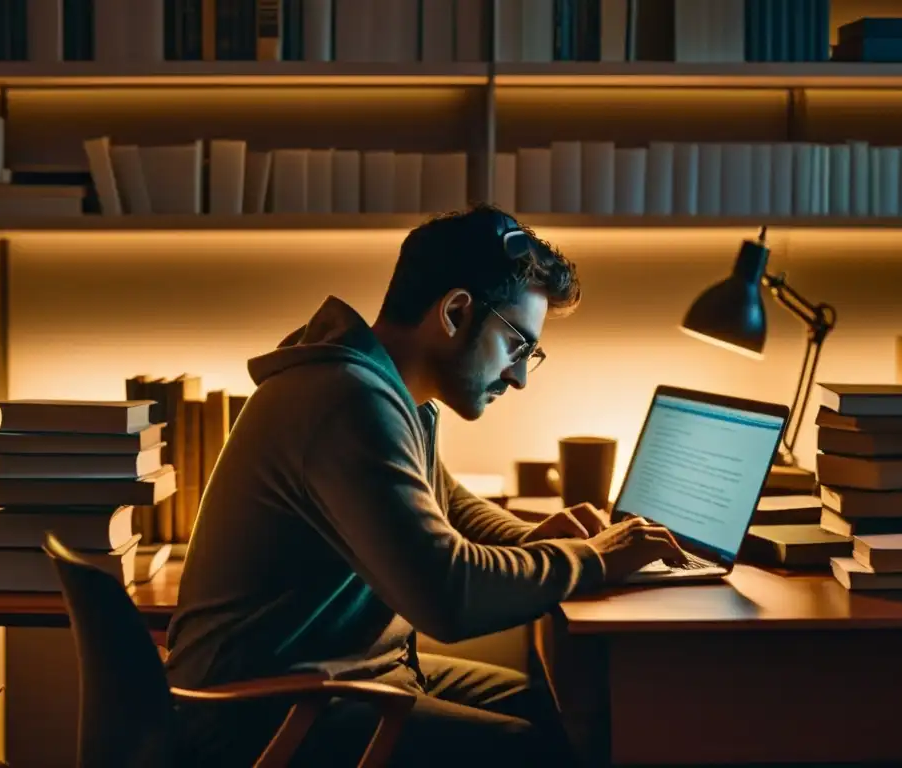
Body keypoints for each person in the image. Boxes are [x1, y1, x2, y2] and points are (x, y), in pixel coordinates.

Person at [165, 204, 687, 766]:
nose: (519, 376)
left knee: (541, 705)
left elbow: (449, 504)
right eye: (517, 346)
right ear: (457, 313)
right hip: (257, 716)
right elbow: (447, 596)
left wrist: (535, 537)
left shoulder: (380, 389)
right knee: (527, 750)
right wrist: (592, 559)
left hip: (331, 676)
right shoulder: (347, 401)